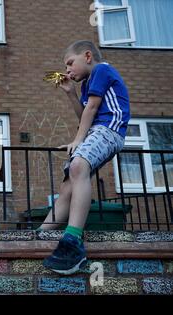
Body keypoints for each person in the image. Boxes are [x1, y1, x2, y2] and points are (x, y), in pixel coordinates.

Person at [40, 40, 130, 274]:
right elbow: (83, 115)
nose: (67, 70)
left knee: (78, 165)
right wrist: (70, 93)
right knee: (70, 182)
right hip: (96, 130)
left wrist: (78, 141)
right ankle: (42, 232)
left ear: (87, 56)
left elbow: (91, 111)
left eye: (70, 63)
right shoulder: (84, 85)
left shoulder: (102, 70)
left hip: (109, 130)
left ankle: (73, 241)